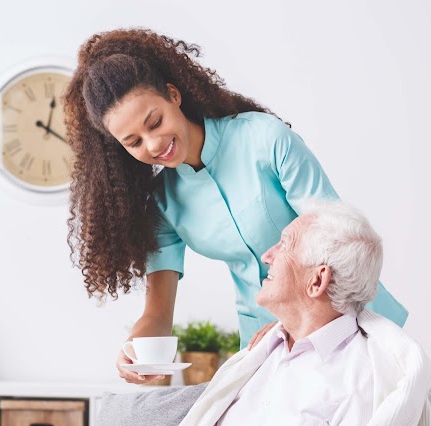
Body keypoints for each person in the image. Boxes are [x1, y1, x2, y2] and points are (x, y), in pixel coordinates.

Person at [62, 28, 408, 384]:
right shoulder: (163, 202)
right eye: (133, 141)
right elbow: (158, 313)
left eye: (156, 122)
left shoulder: (264, 139)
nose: (153, 144)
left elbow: (338, 240)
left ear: (173, 95)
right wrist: (137, 349)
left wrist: (294, 321)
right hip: (265, 345)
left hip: (351, 322)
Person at [181, 200, 431, 425]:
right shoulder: (262, 351)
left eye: (285, 245)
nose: (267, 256)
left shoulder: (359, 382)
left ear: (317, 280)